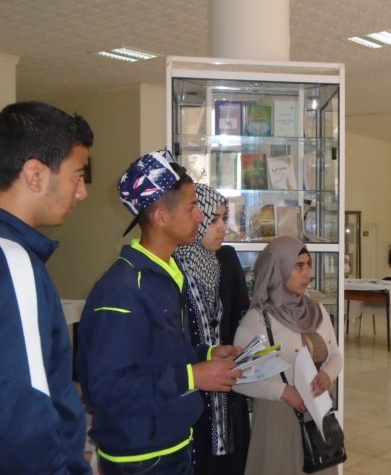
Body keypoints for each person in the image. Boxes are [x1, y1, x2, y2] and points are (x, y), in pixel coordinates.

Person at [76, 150, 243, 475]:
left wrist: (206, 354)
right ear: (161, 217)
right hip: (141, 458)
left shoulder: (168, 274)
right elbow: (106, 388)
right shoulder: (123, 289)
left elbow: (158, 356)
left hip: (174, 443)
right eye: (192, 207)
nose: (200, 217)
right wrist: (193, 376)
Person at [0, 101, 94, 474]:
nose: (82, 192)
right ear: (36, 175)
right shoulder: (13, 262)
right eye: (78, 175)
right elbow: (26, 409)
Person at [233, 236, 343, 475]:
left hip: (316, 416)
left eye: (309, 264)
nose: (307, 273)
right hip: (277, 417)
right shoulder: (258, 320)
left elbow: (335, 355)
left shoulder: (317, 311)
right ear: (277, 269)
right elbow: (238, 378)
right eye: (298, 266)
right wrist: (284, 391)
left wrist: (327, 374)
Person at [174, 184, 251, 475]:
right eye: (214, 219)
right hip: (190, 388)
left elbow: (240, 317)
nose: (222, 227)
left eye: (224, 218)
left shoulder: (226, 260)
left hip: (227, 386)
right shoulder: (174, 265)